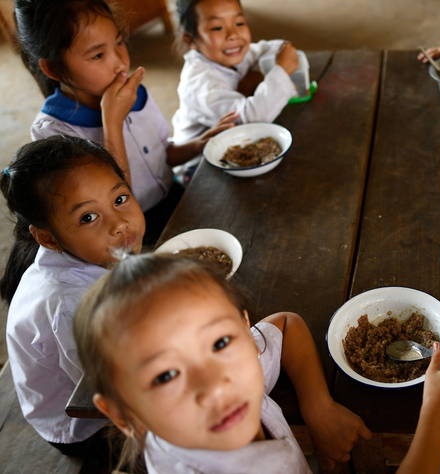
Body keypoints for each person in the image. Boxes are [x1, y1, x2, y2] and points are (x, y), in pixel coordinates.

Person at [74, 254, 440, 473]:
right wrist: (436, 417)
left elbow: (286, 324)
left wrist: (318, 406)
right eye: (165, 375)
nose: (216, 383)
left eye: (219, 341)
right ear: (124, 415)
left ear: (244, 326)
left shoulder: (237, 371)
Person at [14, 0, 236, 243]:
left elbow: (161, 155)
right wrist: (112, 122)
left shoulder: (135, 94)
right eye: (98, 55)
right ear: (54, 69)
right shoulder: (55, 133)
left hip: (172, 195)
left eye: (119, 42)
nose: (120, 61)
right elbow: (116, 204)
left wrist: (198, 144)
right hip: (127, 230)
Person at [0, 135, 145, 456]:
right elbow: (110, 390)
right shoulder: (72, 304)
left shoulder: (92, 256)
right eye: (88, 217)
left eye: (120, 199)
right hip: (85, 426)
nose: (120, 223)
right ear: (48, 238)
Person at [171, 0, 300, 145]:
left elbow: (268, 49)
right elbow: (253, 118)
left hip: (236, 143)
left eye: (239, 23)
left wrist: (283, 49)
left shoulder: (232, 51)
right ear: (190, 40)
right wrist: (281, 71)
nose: (233, 34)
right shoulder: (200, 85)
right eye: (217, 28)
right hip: (200, 162)